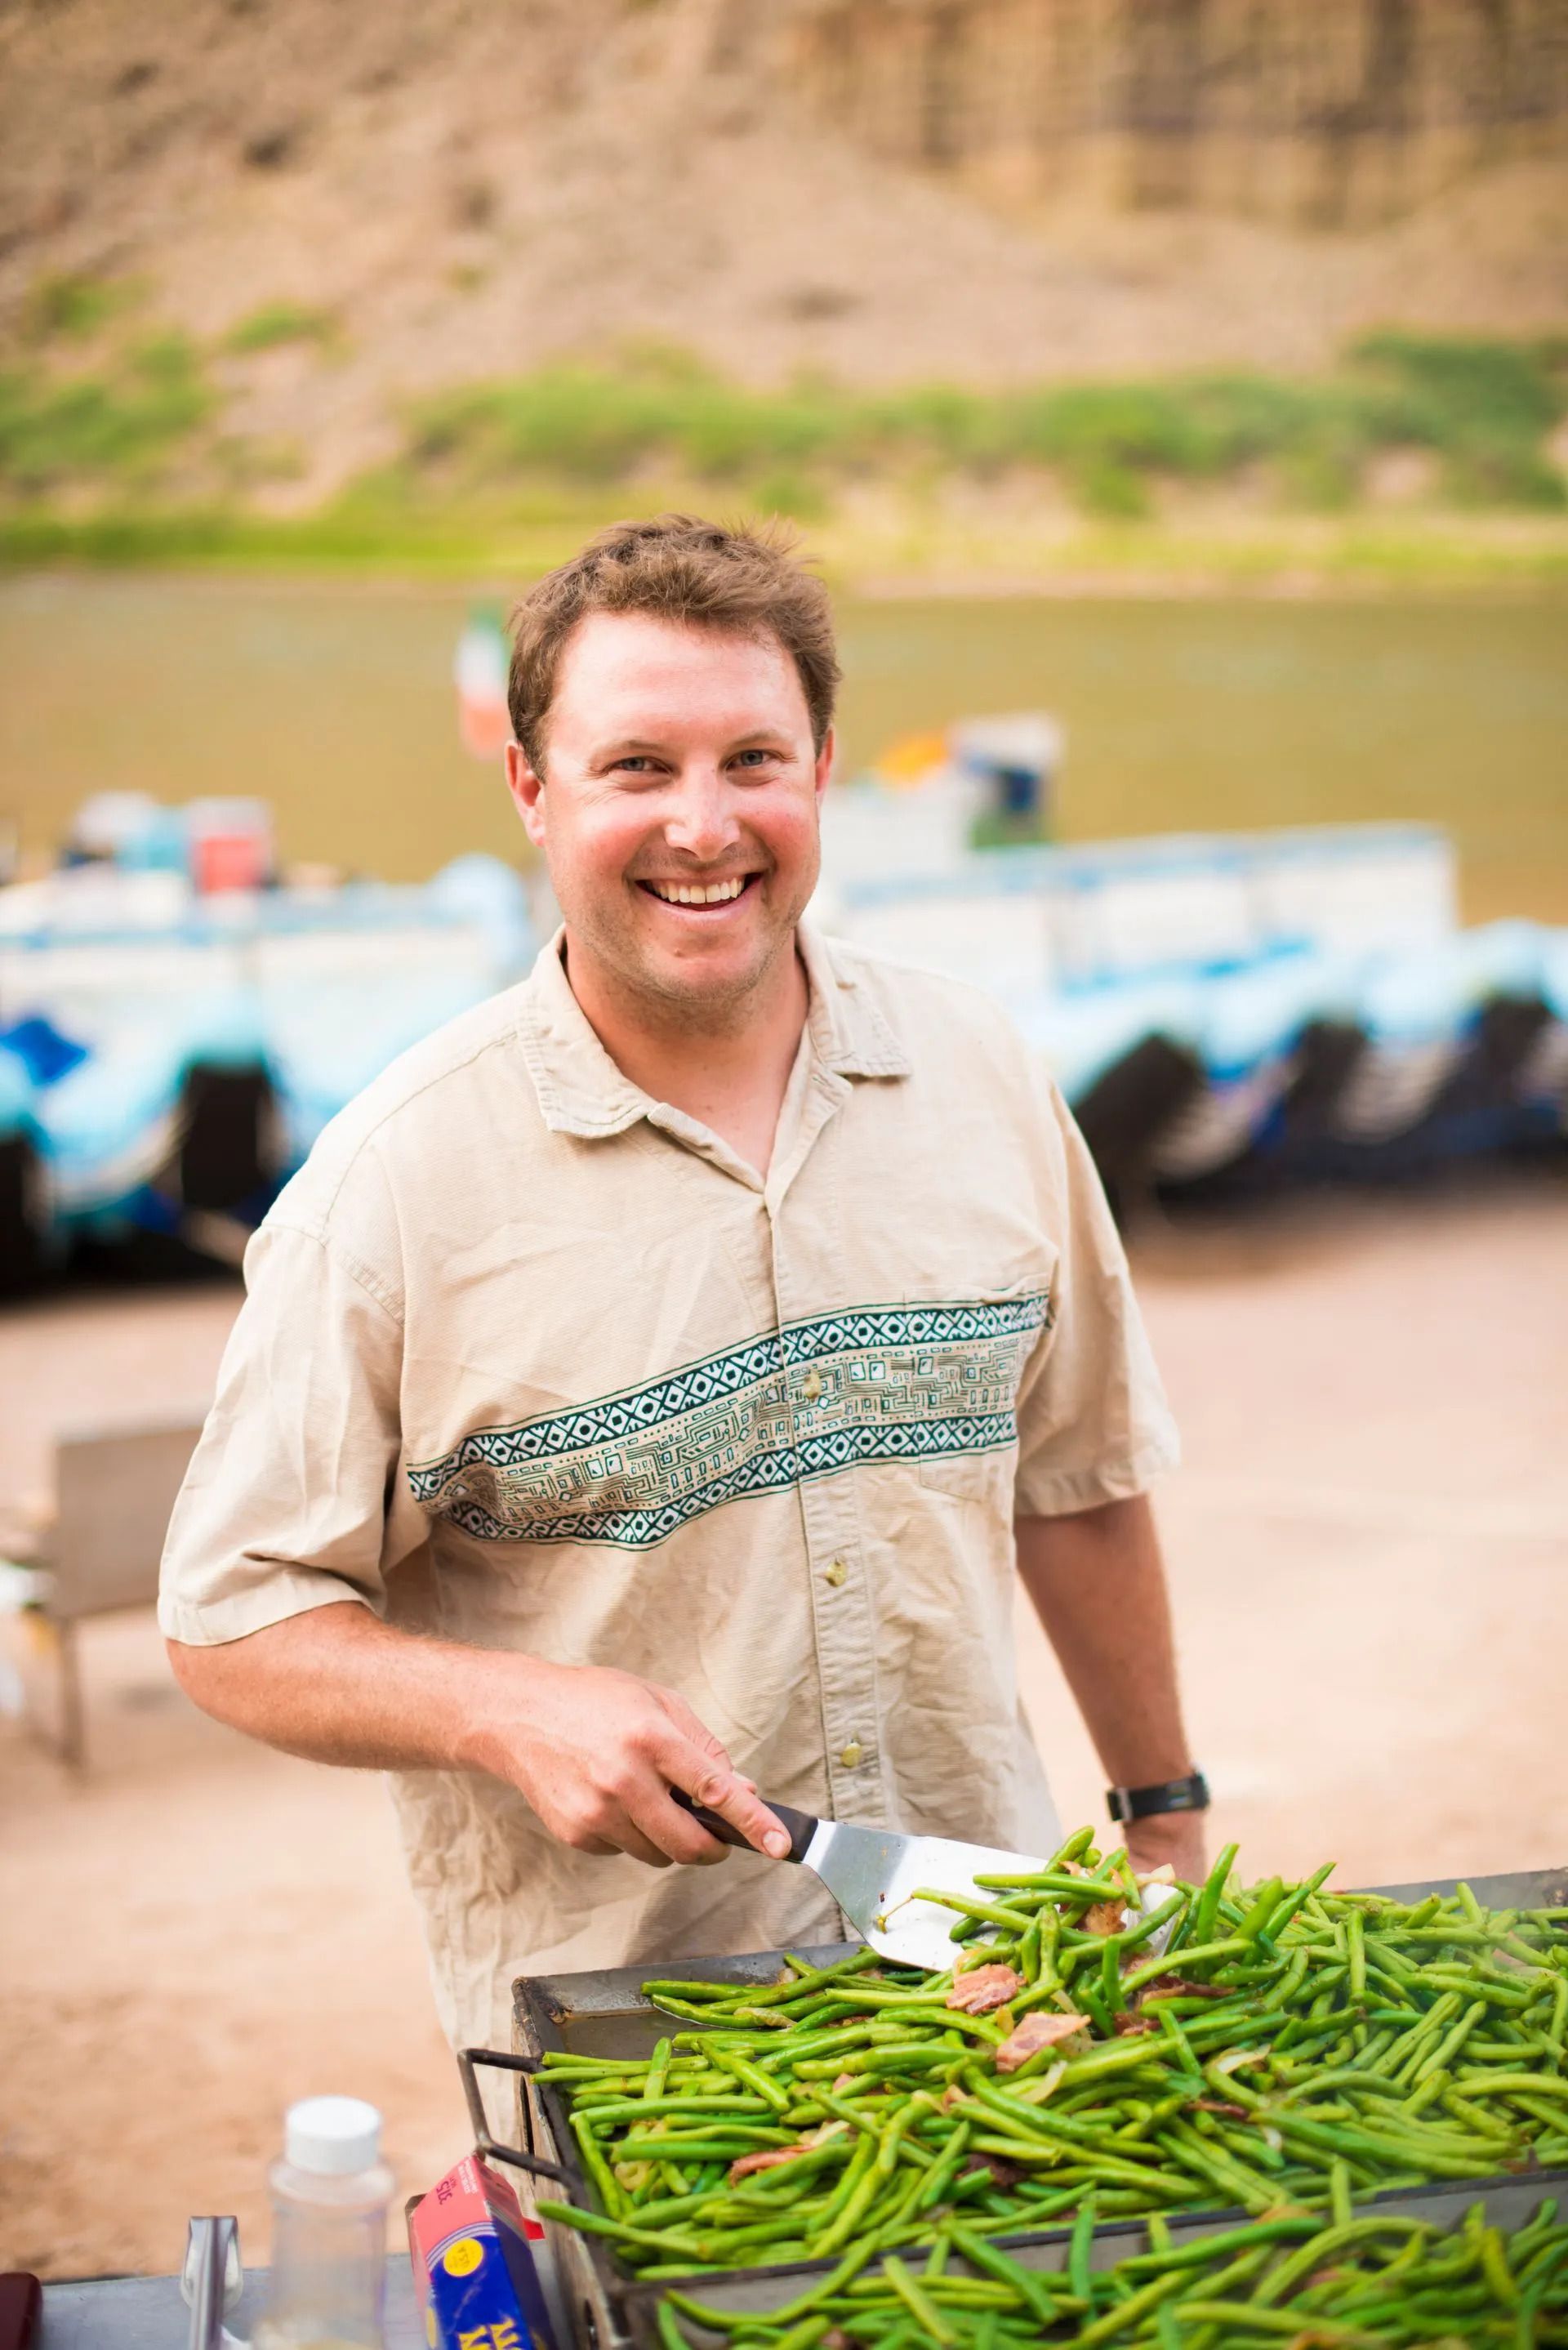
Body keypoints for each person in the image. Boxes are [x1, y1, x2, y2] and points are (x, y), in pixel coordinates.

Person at [161, 515, 1205, 2062]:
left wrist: (1162, 1818)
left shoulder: (984, 1073)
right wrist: (506, 1710)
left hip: (1003, 1977)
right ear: (531, 786)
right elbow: (230, 1616)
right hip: (630, 2041)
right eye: (636, 767)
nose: (705, 827)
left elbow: (1081, 1479)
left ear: (825, 766)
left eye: (752, 762)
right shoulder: (391, 1186)